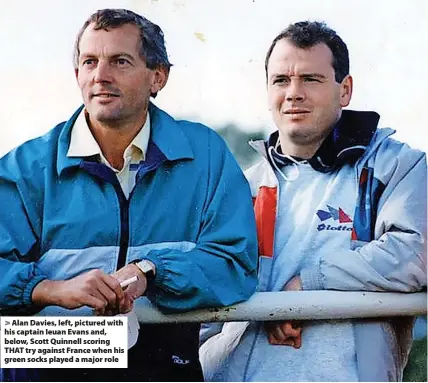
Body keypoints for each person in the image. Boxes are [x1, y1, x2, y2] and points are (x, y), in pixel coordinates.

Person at [0, 8, 258, 382]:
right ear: (77, 75)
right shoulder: (25, 167)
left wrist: (151, 271)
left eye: (120, 61)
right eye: (89, 62)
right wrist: (51, 289)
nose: (100, 76)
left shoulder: (205, 154)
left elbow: (235, 262)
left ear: (159, 77)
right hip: (45, 362)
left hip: (165, 365)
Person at [200, 21, 427, 382]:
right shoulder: (243, 186)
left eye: (311, 79)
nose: (293, 93)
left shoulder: (398, 166)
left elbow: (415, 253)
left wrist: (307, 285)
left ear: (345, 89)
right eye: (281, 81)